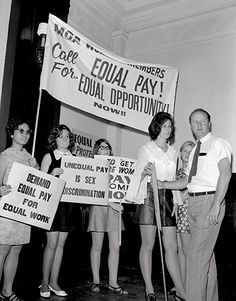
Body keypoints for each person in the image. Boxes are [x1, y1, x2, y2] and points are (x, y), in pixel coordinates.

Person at [160, 108, 232, 301]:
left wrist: (216, 204)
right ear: (190, 126)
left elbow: (225, 174)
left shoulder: (219, 144)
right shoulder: (193, 152)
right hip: (193, 202)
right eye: (194, 122)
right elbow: (187, 182)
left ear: (209, 123)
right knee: (206, 259)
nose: (198, 125)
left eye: (202, 121)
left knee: (195, 257)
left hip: (210, 201)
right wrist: (163, 184)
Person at [126, 112, 185, 301]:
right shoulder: (146, 149)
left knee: (172, 247)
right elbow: (139, 175)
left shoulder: (174, 151)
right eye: (165, 125)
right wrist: (144, 172)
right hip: (149, 196)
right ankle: (149, 288)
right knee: (148, 245)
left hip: (167, 196)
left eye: (170, 126)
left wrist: (176, 200)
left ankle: (182, 291)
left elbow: (175, 178)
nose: (168, 129)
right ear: (156, 127)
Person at [0, 117, 38, 301]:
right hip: (6, 212)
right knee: (3, 249)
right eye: (20, 130)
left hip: (23, 212)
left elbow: (39, 187)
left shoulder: (30, 158)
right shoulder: (5, 156)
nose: (25, 134)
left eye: (28, 131)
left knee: (16, 249)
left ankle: (7, 291)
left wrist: (36, 168)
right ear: (11, 133)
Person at [39, 124, 78, 298]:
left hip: (68, 205)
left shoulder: (74, 158)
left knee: (61, 245)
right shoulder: (49, 156)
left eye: (67, 137)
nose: (65, 139)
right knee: (52, 244)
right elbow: (40, 182)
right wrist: (51, 174)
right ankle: (44, 283)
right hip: (53, 205)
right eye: (61, 136)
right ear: (54, 138)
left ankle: (54, 282)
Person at [87, 138, 128, 295]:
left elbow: (124, 187)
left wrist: (126, 199)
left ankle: (113, 282)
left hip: (114, 209)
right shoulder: (93, 166)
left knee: (115, 247)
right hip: (99, 208)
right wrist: (112, 203)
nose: (104, 149)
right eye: (101, 147)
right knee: (97, 247)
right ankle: (96, 281)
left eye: (107, 147)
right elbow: (94, 190)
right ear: (96, 151)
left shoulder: (117, 167)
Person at [176, 141, 195, 289]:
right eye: (185, 151)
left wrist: (180, 199)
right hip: (176, 214)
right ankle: (181, 284)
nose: (187, 154)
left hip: (187, 212)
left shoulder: (194, 171)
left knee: (187, 251)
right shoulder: (178, 171)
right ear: (180, 153)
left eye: (191, 151)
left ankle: (189, 285)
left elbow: (190, 190)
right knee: (180, 251)